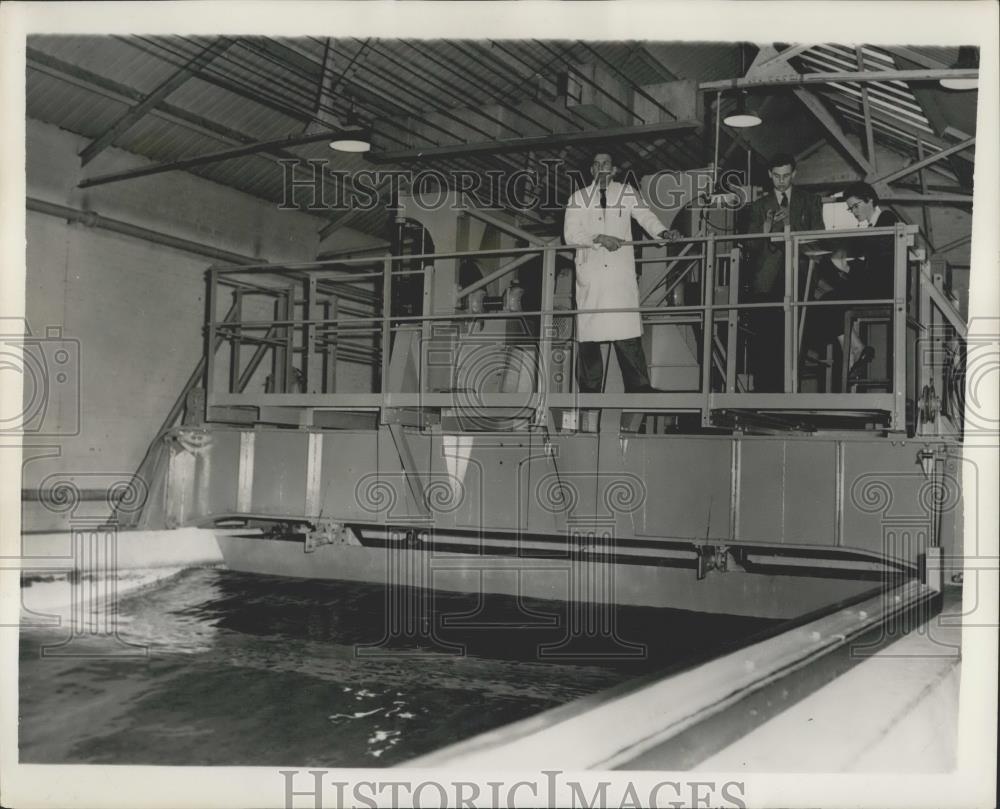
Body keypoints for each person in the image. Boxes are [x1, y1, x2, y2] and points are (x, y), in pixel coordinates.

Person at [563, 151, 679, 393]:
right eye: (596, 164)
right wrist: (598, 238)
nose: (601, 168)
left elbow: (645, 217)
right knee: (589, 337)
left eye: (606, 163)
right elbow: (571, 235)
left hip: (619, 277)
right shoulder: (578, 198)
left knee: (626, 331)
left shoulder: (627, 193)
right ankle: (589, 390)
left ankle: (639, 388)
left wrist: (663, 233)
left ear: (613, 169)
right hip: (592, 276)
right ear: (591, 170)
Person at [741, 153, 825, 392]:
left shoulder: (810, 202)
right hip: (766, 283)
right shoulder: (758, 207)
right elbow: (750, 247)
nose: (781, 181)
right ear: (769, 175)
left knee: (796, 340)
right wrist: (765, 229)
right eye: (776, 176)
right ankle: (765, 395)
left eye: (786, 176)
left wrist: (792, 225)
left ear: (794, 174)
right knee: (766, 340)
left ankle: (791, 394)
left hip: (799, 279)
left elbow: (818, 239)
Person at [809, 182, 900, 385]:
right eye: (850, 208)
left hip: (885, 288)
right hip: (879, 285)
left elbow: (882, 266)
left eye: (855, 206)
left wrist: (850, 268)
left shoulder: (887, 219)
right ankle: (855, 348)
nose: (853, 212)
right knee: (828, 299)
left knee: (828, 302)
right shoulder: (875, 224)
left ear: (870, 200)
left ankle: (855, 348)